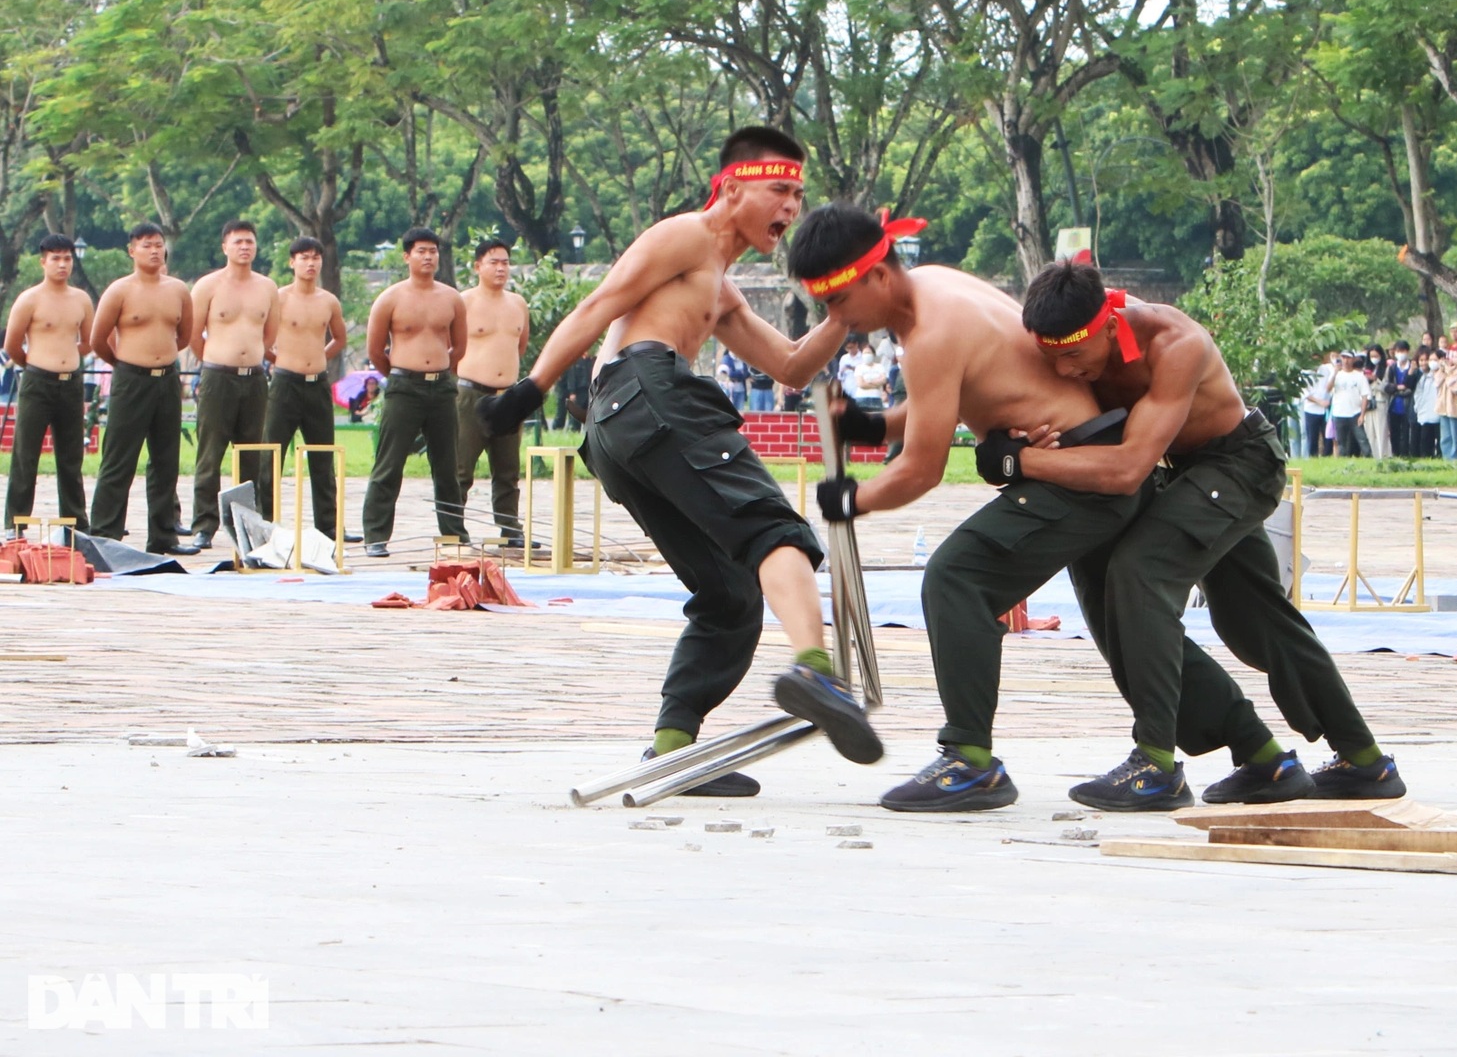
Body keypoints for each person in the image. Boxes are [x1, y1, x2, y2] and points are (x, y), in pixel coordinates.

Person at [474, 127, 878, 787]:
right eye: (780, 190)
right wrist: (531, 388)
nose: (790, 210)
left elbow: (791, 364)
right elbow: (599, 304)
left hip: (623, 430)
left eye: (799, 196)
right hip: (647, 393)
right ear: (733, 186)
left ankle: (673, 746)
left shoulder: (719, 284)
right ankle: (815, 668)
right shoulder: (686, 234)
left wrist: (843, 308)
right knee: (775, 530)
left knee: (730, 591)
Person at [786, 206, 1146, 811]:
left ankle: (971, 761)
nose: (837, 321)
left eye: (840, 303)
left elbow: (921, 470)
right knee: (1136, 630)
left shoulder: (929, 334)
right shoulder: (935, 287)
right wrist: (872, 425)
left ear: (877, 278)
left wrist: (852, 498)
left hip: (1076, 472)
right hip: (1080, 458)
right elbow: (945, 399)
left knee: (957, 576)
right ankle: (1263, 756)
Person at [1013, 259, 1403, 809]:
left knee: (1140, 573)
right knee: (1256, 620)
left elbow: (1127, 468)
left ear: (1107, 324)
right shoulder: (1065, 347)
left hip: (1241, 465)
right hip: (1187, 471)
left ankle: (1154, 762)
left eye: (1074, 356)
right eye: (1051, 359)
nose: (1065, 370)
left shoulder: (1176, 344)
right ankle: (1363, 762)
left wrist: (1020, 463)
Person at [90, 224, 198, 557]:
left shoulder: (178, 289)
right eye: (146, 245)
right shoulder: (119, 290)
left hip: (167, 379)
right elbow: (98, 338)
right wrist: (126, 363)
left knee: (166, 459)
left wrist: (161, 362)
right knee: (119, 457)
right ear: (131, 251)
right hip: (130, 379)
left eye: (159, 245)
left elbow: (184, 336)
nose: (154, 250)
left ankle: (164, 536)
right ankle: (105, 534)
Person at [361, 228, 468, 558]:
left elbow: (459, 346)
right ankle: (376, 535)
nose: (428, 257)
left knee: (447, 465)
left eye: (433, 251)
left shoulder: (451, 298)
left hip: (442, 387)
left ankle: (454, 532)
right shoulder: (390, 298)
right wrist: (399, 373)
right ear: (407, 256)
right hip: (403, 387)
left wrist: (439, 371)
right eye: (421, 251)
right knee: (389, 464)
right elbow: (376, 349)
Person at [187, 220, 280, 549]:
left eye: (250, 242)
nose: (245, 247)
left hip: (254, 378)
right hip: (217, 377)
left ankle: (248, 525)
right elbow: (193, 334)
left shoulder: (267, 287)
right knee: (210, 453)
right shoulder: (208, 286)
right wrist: (214, 359)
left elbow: (269, 334)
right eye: (238, 241)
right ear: (225, 246)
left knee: (251, 454)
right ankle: (204, 525)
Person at [4, 235, 94, 535]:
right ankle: (14, 522)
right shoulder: (30, 299)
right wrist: (37, 362)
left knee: (71, 457)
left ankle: (76, 523)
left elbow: (88, 341)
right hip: (37, 381)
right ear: (43, 261)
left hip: (70, 383)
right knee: (25, 455)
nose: (62, 264)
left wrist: (66, 358)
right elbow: (13, 344)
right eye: (55, 258)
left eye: (67, 258)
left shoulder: (81, 299)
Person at [265, 236, 348, 540]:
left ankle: (328, 526)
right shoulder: (279, 297)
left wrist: (319, 357)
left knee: (322, 456)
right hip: (285, 382)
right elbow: (262, 337)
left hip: (317, 384)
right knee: (272, 454)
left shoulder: (328, 300)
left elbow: (339, 338)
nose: (310, 263)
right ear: (292, 262)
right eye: (304, 257)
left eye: (315, 257)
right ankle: (267, 523)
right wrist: (279, 358)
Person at [455, 238, 530, 547]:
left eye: (505, 262)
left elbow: (520, 345)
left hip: (508, 394)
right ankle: (454, 528)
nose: (501, 268)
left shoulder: (518, 304)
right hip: (471, 392)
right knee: (461, 467)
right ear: (477, 266)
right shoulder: (464, 302)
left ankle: (510, 529)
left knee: (508, 469)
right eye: (493, 262)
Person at [1327, 352, 1368, 456]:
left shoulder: (1359, 376)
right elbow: (1328, 389)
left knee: (1363, 440)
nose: (1346, 360)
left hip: (1355, 413)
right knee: (1342, 443)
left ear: (1353, 359)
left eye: (1348, 358)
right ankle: (1343, 462)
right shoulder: (1336, 375)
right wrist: (1335, 373)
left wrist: (1362, 415)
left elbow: (1364, 396)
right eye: (1344, 358)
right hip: (1339, 413)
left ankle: (1369, 458)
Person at [1435, 345, 1457, 460]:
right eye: (1450, 356)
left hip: (1455, 409)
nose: (1451, 358)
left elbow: (1455, 386)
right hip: (1443, 408)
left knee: (1456, 437)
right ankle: (1446, 459)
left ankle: (1455, 460)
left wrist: (1448, 373)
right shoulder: (1449, 369)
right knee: (1445, 437)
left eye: (1455, 356)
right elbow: (1437, 382)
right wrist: (1442, 369)